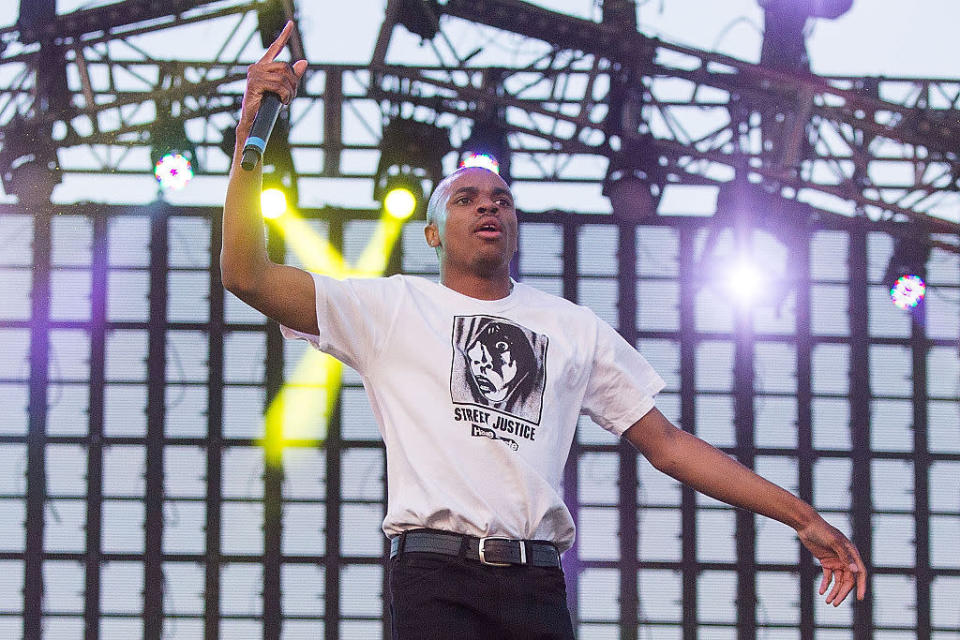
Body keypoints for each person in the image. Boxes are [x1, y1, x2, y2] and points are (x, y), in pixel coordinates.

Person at [222, 21, 867, 640]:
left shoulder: (570, 327)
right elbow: (245, 273)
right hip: (434, 579)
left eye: (501, 199)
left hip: (536, 584)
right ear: (432, 234)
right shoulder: (392, 307)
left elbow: (667, 444)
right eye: (467, 199)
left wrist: (802, 517)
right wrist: (256, 126)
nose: (488, 206)